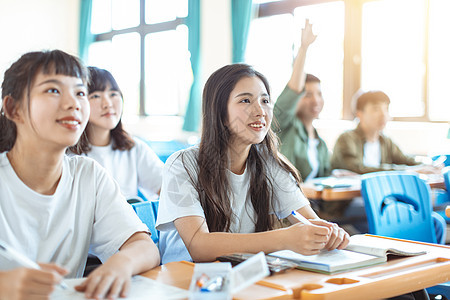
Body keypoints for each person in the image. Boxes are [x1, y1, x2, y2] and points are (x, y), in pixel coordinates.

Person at [0, 50, 160, 300]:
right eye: (53, 90)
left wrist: (120, 264)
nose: (73, 103)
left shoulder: (89, 175)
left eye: (80, 92)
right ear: (13, 108)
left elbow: (144, 247)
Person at [155, 63, 349, 264]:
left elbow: (309, 221)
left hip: (243, 275)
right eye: (246, 100)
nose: (260, 111)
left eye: (265, 101)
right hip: (187, 282)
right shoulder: (182, 165)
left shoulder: (269, 163)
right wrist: (284, 238)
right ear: (220, 112)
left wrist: (328, 232)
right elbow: (199, 246)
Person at [70, 67, 163, 201]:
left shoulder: (134, 148)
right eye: (95, 96)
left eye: (113, 94)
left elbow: (168, 188)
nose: (107, 104)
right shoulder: (69, 156)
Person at [273, 19, 332, 182]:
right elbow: (293, 90)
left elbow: (323, 179)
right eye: (307, 94)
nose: (316, 100)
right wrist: (304, 47)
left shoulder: (320, 144)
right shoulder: (282, 124)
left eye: (319, 94)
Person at [331, 90, 442, 174]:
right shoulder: (346, 139)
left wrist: (429, 164)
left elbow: (405, 160)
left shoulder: (385, 141)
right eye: (376, 109)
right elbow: (356, 168)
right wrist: (410, 170)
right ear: (359, 114)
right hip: (350, 201)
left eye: (386, 109)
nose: (383, 115)